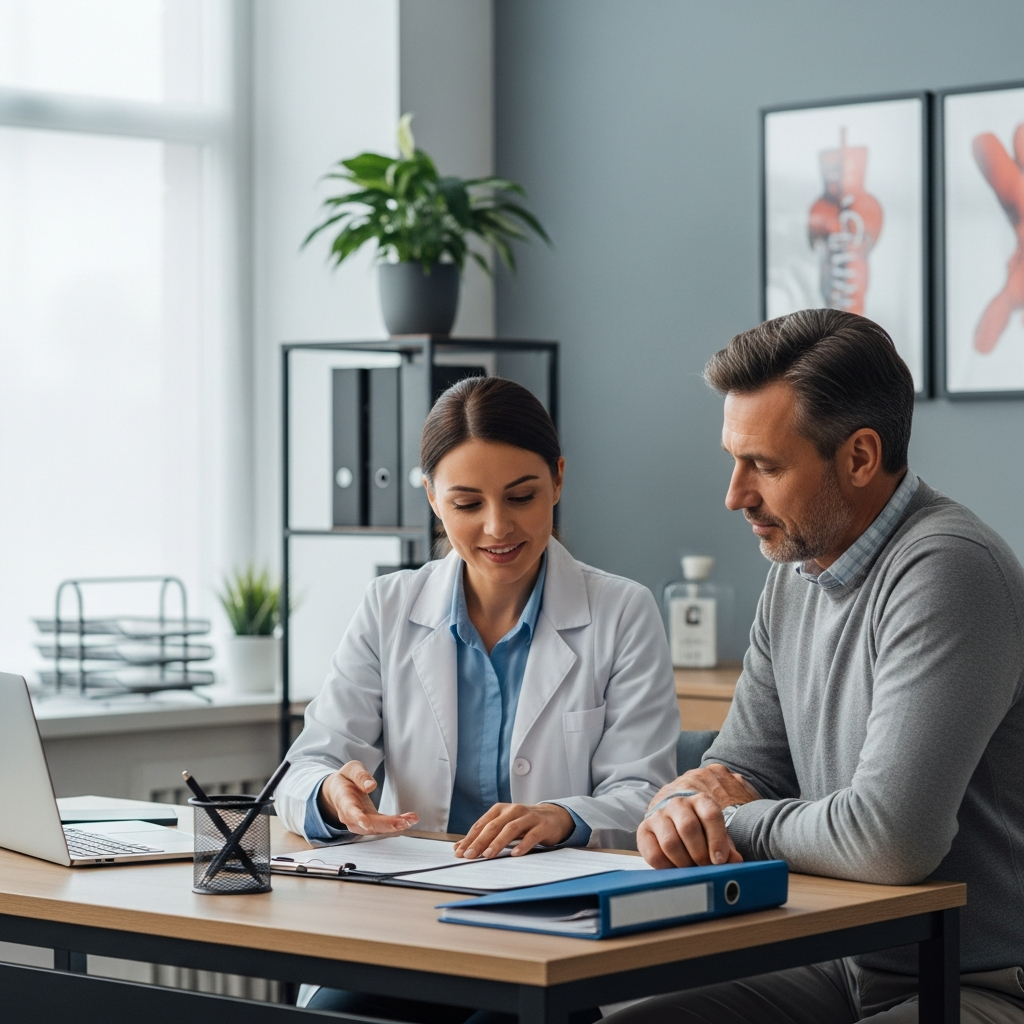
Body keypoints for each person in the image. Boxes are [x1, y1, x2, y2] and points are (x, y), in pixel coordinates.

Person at [607, 309, 1024, 1024]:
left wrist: (731, 823)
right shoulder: (796, 572)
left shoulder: (949, 569)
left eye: (764, 466)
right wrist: (687, 808)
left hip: (968, 979)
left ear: (860, 457)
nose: (735, 495)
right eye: (734, 461)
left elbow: (890, 840)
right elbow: (738, 771)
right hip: (836, 961)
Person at [276, 375, 680, 1021]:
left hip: (550, 929)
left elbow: (645, 797)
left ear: (559, 479)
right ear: (433, 497)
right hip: (411, 926)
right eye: (467, 503)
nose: (499, 526)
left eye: (522, 496)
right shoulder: (390, 607)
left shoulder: (621, 612)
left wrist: (559, 816)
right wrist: (332, 793)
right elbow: (304, 770)